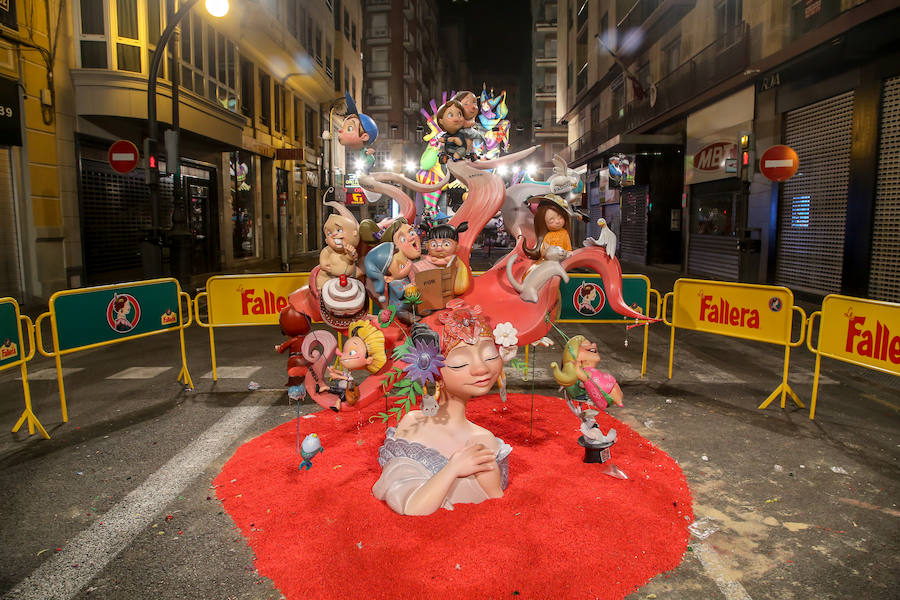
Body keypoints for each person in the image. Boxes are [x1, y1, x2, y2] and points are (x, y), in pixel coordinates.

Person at [372, 302, 513, 516]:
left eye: (491, 356)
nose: (482, 368)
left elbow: (497, 509)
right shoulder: (412, 425)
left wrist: (489, 485)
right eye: (459, 364)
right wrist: (453, 468)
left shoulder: (484, 440)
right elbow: (410, 505)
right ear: (431, 371)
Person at [550, 335, 624, 410]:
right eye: (590, 349)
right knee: (612, 392)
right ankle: (617, 401)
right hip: (602, 392)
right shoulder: (582, 372)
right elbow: (582, 379)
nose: (594, 344)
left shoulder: (587, 371)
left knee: (615, 390)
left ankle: (618, 401)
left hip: (608, 386)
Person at [523, 195, 575, 262]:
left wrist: (569, 252)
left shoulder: (564, 233)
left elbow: (567, 246)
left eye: (560, 217)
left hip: (562, 259)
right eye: (551, 220)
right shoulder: (547, 236)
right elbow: (545, 249)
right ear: (543, 222)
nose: (557, 221)